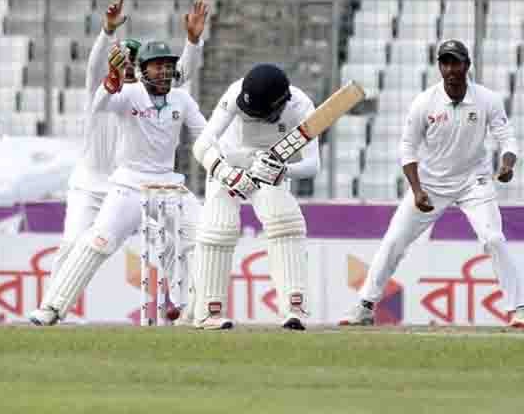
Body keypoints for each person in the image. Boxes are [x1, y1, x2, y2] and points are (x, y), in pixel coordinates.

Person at [29, 0, 208, 326]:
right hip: (99, 186)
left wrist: (193, 42)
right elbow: (100, 81)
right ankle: (51, 306)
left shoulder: (159, 91)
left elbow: (179, 74)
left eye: (131, 64)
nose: (127, 69)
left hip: (155, 183)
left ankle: (188, 307)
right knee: (83, 243)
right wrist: (107, 33)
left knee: (184, 240)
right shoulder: (111, 92)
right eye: (121, 64)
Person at [341, 40, 524, 328]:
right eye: (445, 63)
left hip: (474, 182)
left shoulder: (487, 99)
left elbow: (507, 138)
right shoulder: (425, 102)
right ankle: (365, 305)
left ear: (467, 65)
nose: (451, 69)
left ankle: (518, 308)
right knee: (393, 241)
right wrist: (416, 189)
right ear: (439, 67)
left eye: (456, 63)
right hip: (430, 184)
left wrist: (508, 164)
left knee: (493, 239)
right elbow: (407, 148)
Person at [191, 64, 320, 330]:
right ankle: (207, 311)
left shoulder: (301, 107)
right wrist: (224, 171)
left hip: (271, 164)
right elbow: (202, 145)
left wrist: (283, 172)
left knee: (285, 222)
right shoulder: (235, 94)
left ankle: (294, 308)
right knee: (218, 228)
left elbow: (313, 165)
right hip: (229, 162)